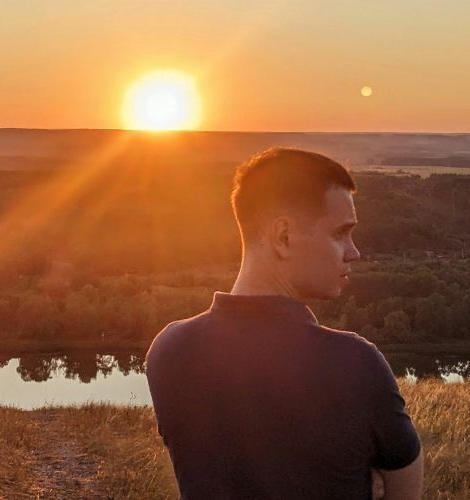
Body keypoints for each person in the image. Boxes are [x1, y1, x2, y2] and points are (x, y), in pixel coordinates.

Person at [146, 147, 423, 499]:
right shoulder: (356, 363)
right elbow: (405, 490)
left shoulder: (169, 350)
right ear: (283, 237)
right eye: (341, 233)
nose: (354, 252)